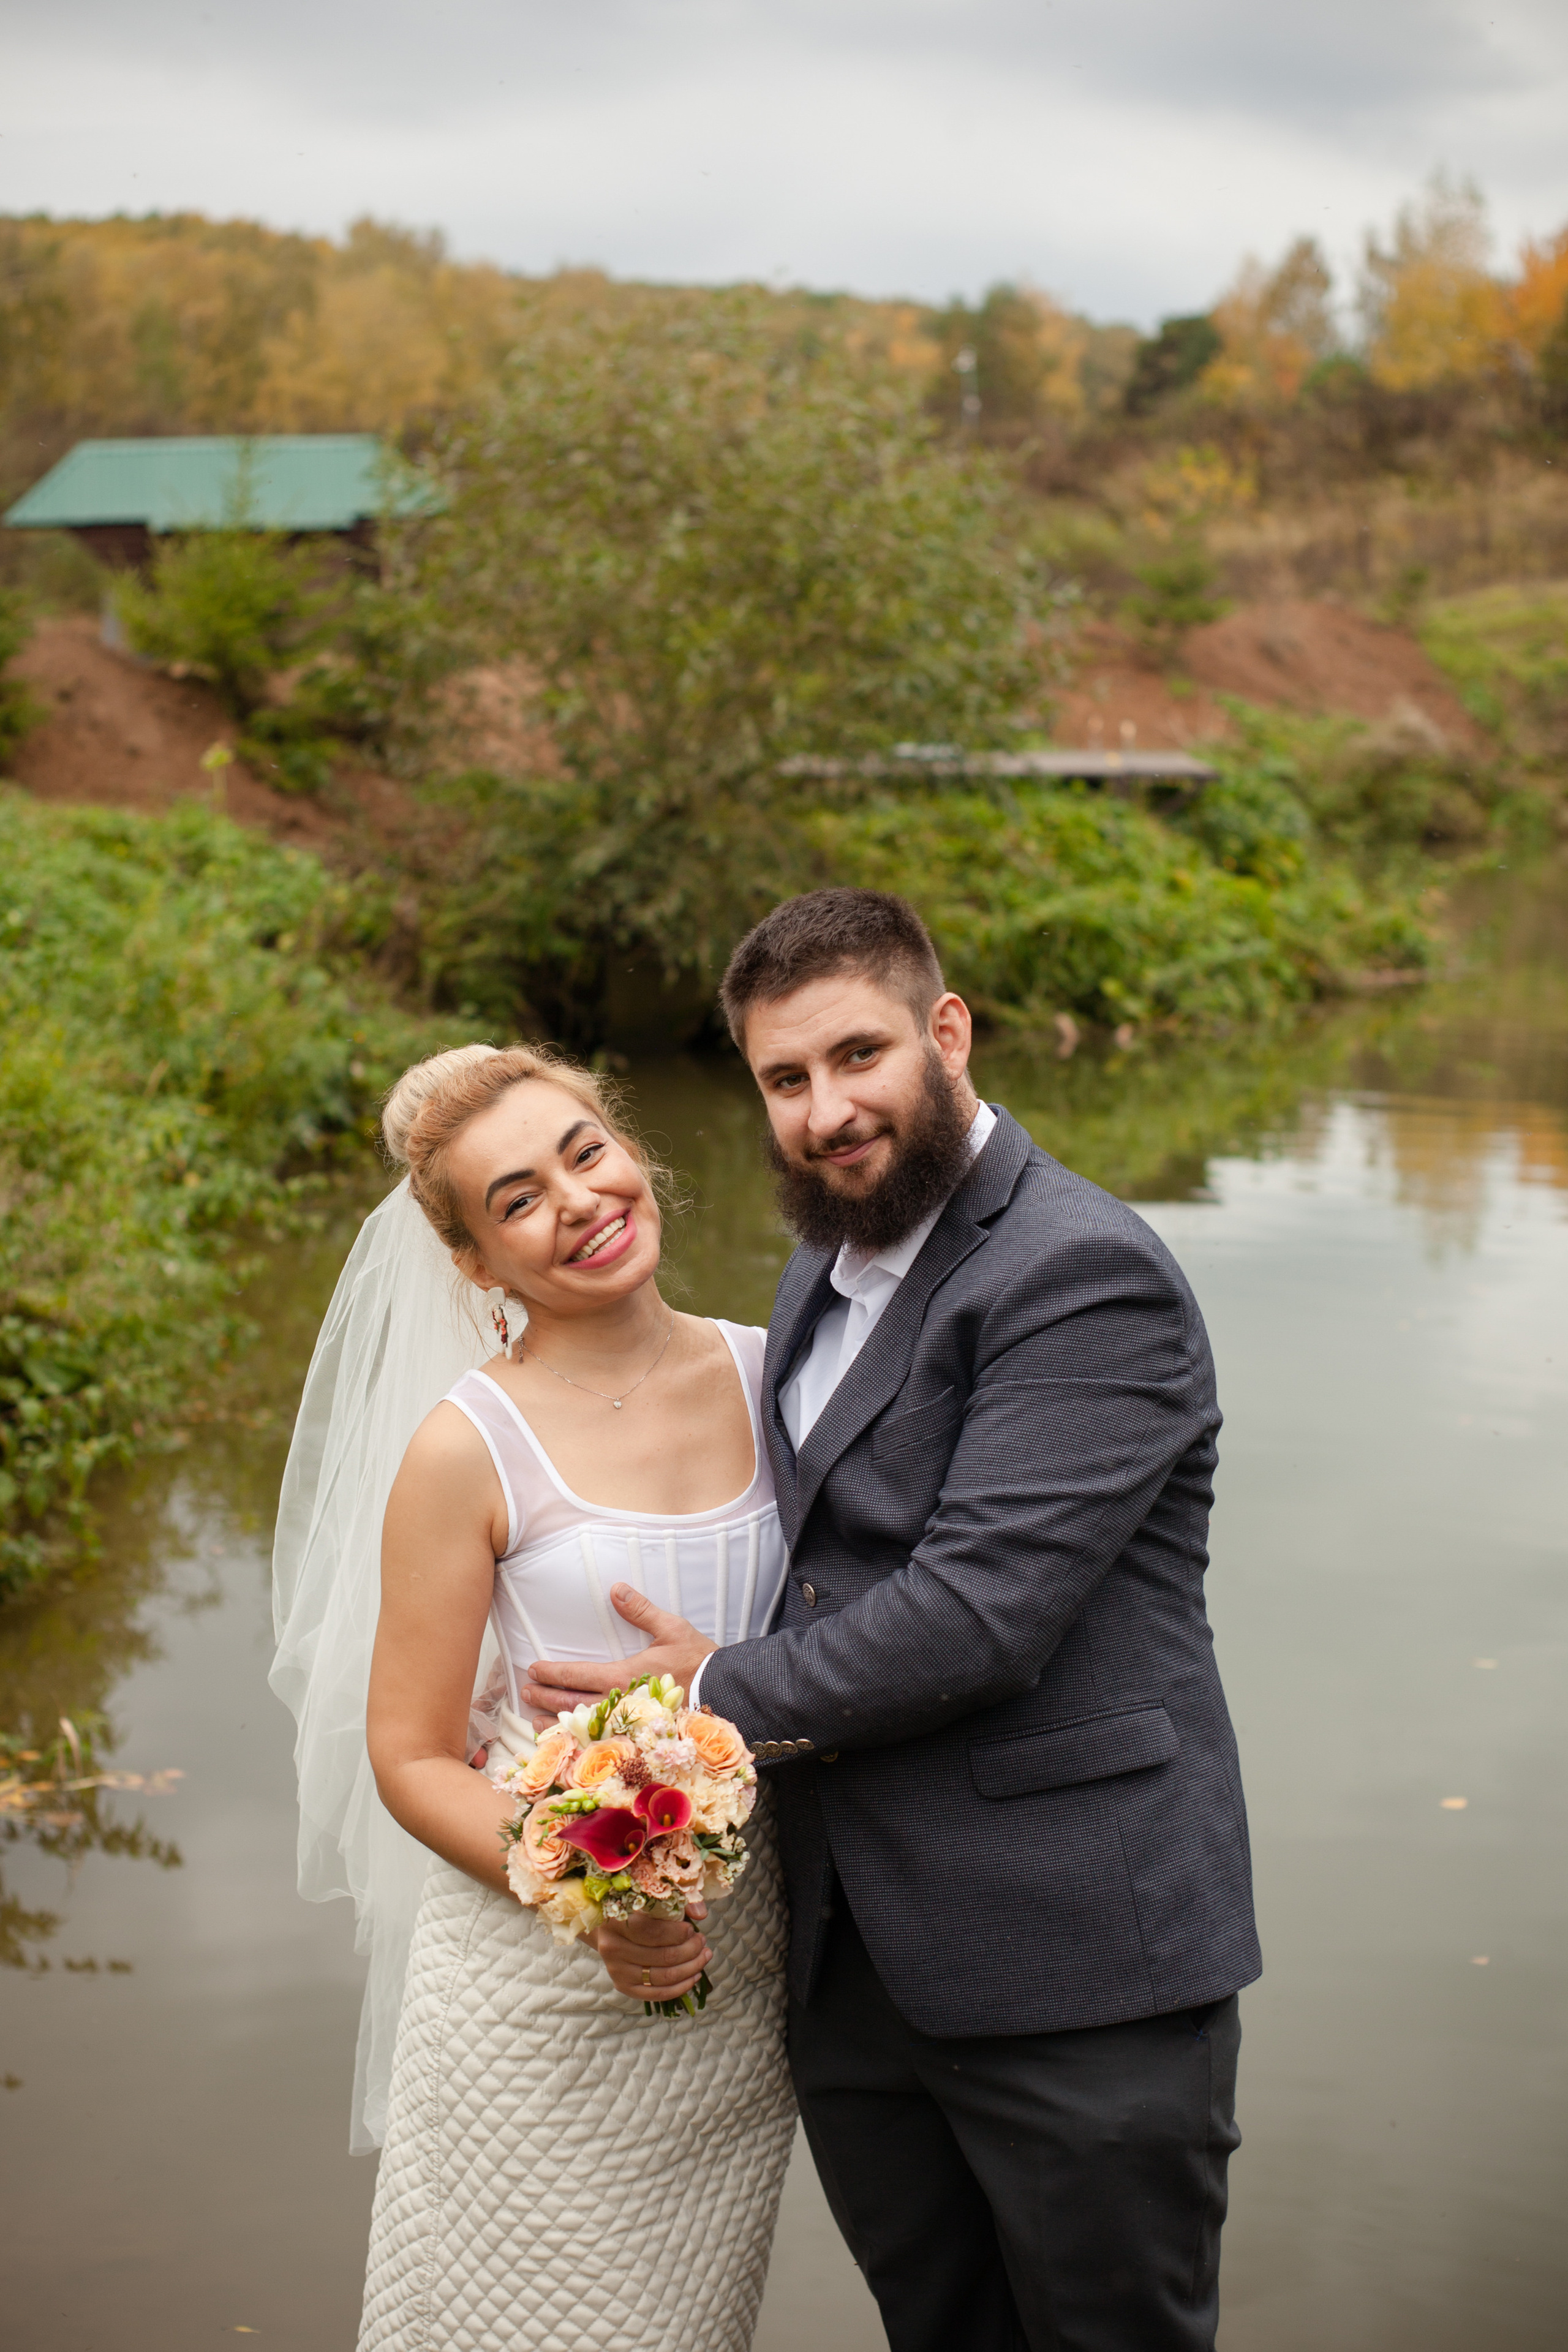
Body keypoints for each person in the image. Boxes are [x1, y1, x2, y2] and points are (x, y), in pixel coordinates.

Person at [527, 888, 1263, 2352]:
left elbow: (979, 1614)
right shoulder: (824, 1261)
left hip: (1074, 1968)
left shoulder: (1076, 1271)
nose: (825, 1111)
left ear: (944, 1032)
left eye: (857, 1056)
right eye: (783, 1081)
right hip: (857, 1965)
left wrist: (712, 1691)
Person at [271, 1044, 796, 2352]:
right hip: (535, 1986)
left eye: (583, 1153)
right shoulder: (466, 1447)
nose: (575, 1201)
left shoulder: (779, 1375)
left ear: (631, 1154)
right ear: (473, 1265)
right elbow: (408, 1757)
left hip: (742, 1977)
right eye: (515, 1200)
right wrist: (590, 1889)